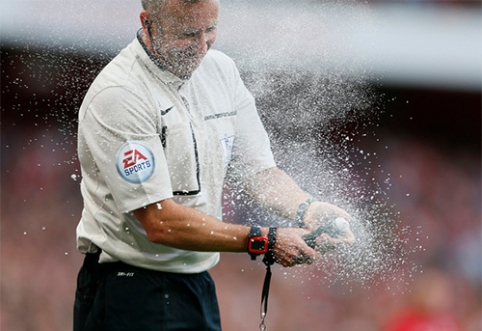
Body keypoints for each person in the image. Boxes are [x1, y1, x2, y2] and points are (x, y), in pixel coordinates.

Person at [73, 0, 355, 330]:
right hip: (129, 288)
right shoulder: (120, 94)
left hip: (196, 283)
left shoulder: (221, 70)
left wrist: (306, 208)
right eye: (189, 34)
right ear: (148, 23)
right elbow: (160, 222)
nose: (202, 46)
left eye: (210, 30)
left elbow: (257, 170)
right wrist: (263, 239)